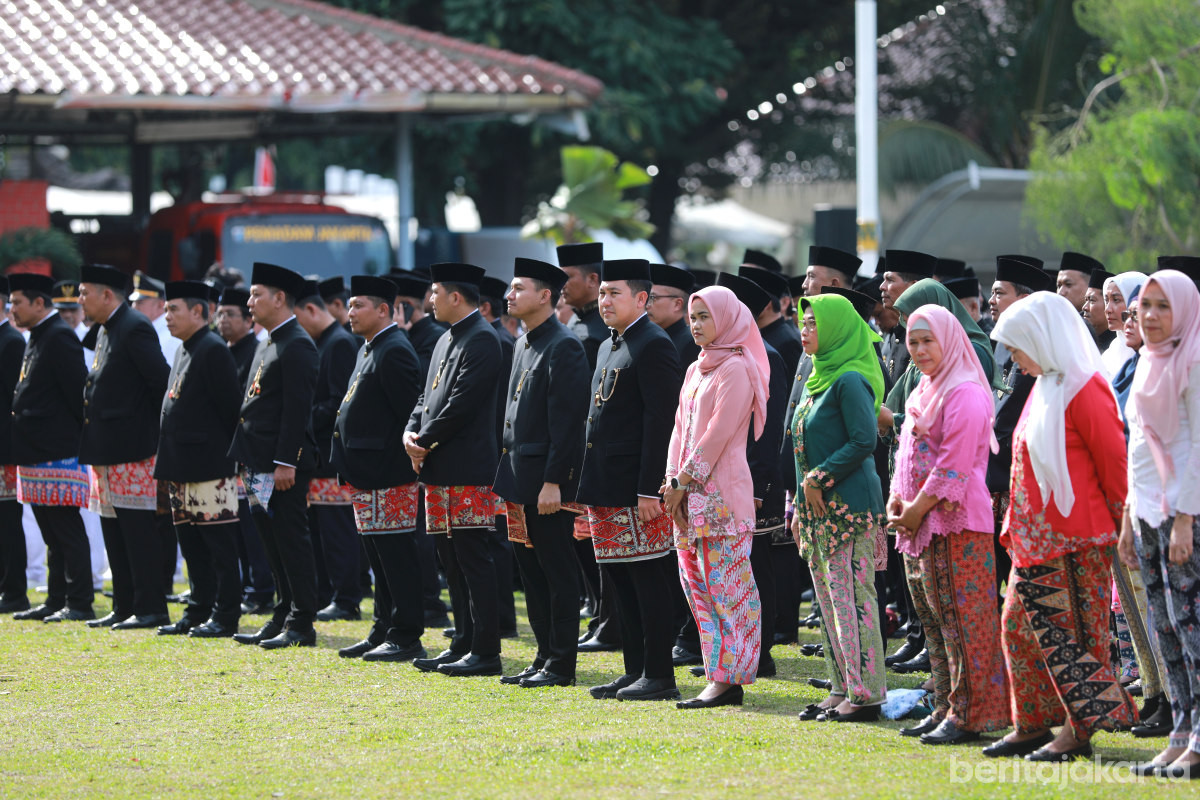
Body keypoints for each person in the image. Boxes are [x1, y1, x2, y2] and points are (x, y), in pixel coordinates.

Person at [986, 291, 1136, 761]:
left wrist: (1119, 523)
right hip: (1035, 537)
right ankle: (1031, 723)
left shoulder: (1084, 386)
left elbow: (1113, 463)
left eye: (1016, 348)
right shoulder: (1046, 384)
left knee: (1070, 635)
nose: (1014, 359)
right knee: (1017, 628)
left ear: (1040, 337)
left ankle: (1081, 727)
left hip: (1077, 540)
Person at [887, 304, 1008, 744]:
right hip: (918, 526)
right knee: (934, 622)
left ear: (949, 341)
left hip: (959, 525)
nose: (918, 350)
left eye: (927, 341)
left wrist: (915, 509)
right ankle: (945, 704)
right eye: (912, 341)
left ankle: (976, 714)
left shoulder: (966, 392)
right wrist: (897, 504)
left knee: (966, 622)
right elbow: (906, 458)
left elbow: (953, 468)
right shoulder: (924, 389)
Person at [577, 258, 684, 701]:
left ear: (642, 298)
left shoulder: (653, 343)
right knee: (618, 582)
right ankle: (634, 669)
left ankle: (658, 673)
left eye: (614, 293)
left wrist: (648, 489)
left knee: (648, 584)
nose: (604, 300)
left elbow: (661, 422)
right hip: (605, 484)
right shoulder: (609, 344)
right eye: (601, 292)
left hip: (636, 490)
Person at [663, 285, 767, 709]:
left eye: (705, 317)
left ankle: (731, 677)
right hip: (685, 498)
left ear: (726, 318)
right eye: (693, 317)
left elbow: (719, 434)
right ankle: (715, 673)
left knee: (727, 586)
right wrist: (672, 480)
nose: (696, 325)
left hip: (721, 496)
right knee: (697, 588)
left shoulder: (737, 368)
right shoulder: (696, 369)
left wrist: (684, 481)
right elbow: (679, 429)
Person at [493, 258, 590, 687]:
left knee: (557, 572)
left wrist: (555, 480)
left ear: (545, 295)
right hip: (518, 477)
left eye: (517, 288)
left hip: (546, 483)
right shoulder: (522, 342)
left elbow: (568, 423)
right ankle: (542, 654)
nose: (508, 296)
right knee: (530, 574)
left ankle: (562, 664)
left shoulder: (563, 345)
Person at [405, 262, 504, 678]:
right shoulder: (447, 338)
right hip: (438, 467)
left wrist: (423, 440)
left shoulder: (483, 338)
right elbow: (426, 398)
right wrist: (410, 432)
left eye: (434, 293)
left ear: (455, 297)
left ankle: (485, 650)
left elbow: (460, 403)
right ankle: (462, 641)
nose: (429, 301)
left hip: (468, 467)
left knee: (472, 557)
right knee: (449, 559)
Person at [1118, 270, 1200, 778]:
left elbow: (1194, 449)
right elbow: (1138, 450)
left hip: (1183, 514)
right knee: (1164, 626)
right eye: (1144, 305)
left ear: (1185, 311)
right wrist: (1129, 519)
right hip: (1146, 511)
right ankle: (1180, 731)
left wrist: (1185, 520)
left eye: (1161, 306)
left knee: (1192, 627)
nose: (1149, 316)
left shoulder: (1191, 360)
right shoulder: (1148, 361)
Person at [791, 293, 887, 723]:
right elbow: (801, 448)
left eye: (813, 323)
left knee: (851, 597)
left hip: (848, 506)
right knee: (829, 602)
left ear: (835, 328)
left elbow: (864, 440)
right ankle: (840, 685)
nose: (805, 329)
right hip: (816, 510)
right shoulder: (818, 378)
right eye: (803, 322)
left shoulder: (850, 379)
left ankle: (865, 695)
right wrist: (799, 502)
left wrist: (820, 478)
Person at [331, 275, 428, 664]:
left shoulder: (394, 350)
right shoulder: (370, 347)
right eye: (350, 305)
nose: (350, 312)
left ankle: (406, 635)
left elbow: (410, 413)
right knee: (377, 556)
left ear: (384, 310)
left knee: (396, 557)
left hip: (388, 471)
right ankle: (383, 628)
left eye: (358, 306)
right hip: (366, 471)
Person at [228, 262, 321, 650]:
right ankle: (283, 613)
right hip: (257, 459)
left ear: (280, 299)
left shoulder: (297, 342)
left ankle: (302, 622)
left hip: (280, 463)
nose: (250, 302)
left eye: (256, 294)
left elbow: (298, 411)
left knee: (290, 539)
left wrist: (288, 460)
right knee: (270, 541)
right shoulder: (268, 340)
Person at [78, 264, 171, 630]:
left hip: (132, 449)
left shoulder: (134, 326)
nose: (81, 300)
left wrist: (143, 429)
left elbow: (159, 383)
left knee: (137, 533)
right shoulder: (105, 330)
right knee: (113, 531)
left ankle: (150, 608)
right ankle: (124, 604)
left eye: (86, 292)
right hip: (105, 448)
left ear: (106, 295)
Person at [153, 281, 243, 638]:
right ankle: (198, 609)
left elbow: (229, 410)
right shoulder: (183, 349)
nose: (167, 315)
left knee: (219, 546)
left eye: (174, 308)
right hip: (180, 464)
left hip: (209, 466)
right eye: (166, 308)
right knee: (190, 546)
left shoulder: (212, 349)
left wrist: (223, 459)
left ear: (198, 312)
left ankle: (226, 614)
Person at [8, 274, 93, 622]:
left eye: (17, 302)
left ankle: (79, 601)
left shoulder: (59, 336)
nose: (12, 309)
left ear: (39, 303)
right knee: (50, 533)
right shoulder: (38, 335)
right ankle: (56, 597)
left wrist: (69, 439)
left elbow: (78, 394)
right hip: (34, 450)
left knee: (66, 530)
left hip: (57, 450)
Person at [295, 281, 363, 622]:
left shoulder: (338, 344)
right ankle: (328, 594)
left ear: (310, 309)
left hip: (330, 454)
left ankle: (346, 597)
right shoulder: (322, 342)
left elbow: (339, 402)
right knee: (321, 532)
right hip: (316, 455)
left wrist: (301, 417)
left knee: (337, 533)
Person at [215, 286, 276, 615]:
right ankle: (241, 586)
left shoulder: (255, 350)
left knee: (253, 530)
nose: (223, 321)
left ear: (248, 320)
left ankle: (260, 588)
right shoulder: (221, 350)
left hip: (249, 452)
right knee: (233, 527)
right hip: (226, 455)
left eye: (230, 315)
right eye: (220, 314)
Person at [0, 276, 27, 614]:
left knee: (7, 521)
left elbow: (13, 402)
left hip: (5, 449)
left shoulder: (11, 341)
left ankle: (14, 590)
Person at [647, 263, 700, 366]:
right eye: (646, 298)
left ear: (677, 304)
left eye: (653, 298)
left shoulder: (692, 342)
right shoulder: (648, 336)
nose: (647, 305)